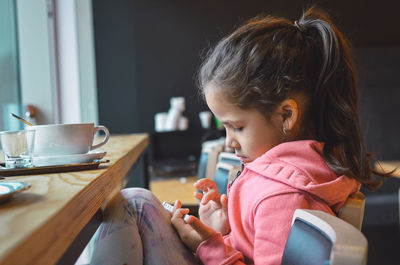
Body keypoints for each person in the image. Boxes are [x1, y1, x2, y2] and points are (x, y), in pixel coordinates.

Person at [90, 6, 388, 265]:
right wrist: (223, 230)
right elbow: (249, 248)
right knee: (134, 202)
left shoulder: (282, 196)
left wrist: (206, 247)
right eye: (226, 128)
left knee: (135, 204)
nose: (229, 142)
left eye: (238, 127)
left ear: (286, 116)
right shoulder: (276, 180)